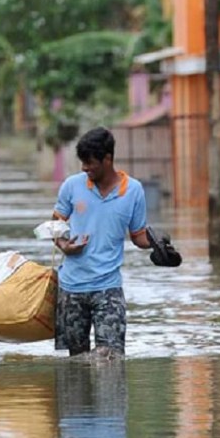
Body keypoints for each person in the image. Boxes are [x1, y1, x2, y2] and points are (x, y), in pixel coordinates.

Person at [51, 126, 152, 358]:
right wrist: (64, 244)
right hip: (71, 289)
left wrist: (157, 244)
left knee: (111, 358)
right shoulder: (71, 186)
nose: (85, 168)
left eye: (90, 162)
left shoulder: (134, 191)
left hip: (109, 288)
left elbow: (138, 236)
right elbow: (55, 224)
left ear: (107, 159)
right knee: (76, 364)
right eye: (82, 162)